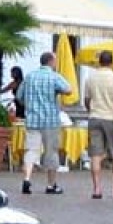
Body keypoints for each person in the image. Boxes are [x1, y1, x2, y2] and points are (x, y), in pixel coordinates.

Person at [16, 52, 72, 195]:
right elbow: (68, 89)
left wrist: (30, 104)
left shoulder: (29, 76)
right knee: (51, 152)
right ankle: (51, 185)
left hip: (32, 120)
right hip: (50, 120)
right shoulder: (54, 76)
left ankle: (27, 178)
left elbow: (19, 96)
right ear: (51, 62)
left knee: (31, 150)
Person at [85, 49, 113, 200]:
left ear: (99, 61)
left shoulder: (90, 78)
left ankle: (97, 188)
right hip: (112, 119)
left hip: (95, 117)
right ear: (112, 62)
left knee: (95, 155)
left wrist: (92, 111)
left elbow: (87, 100)